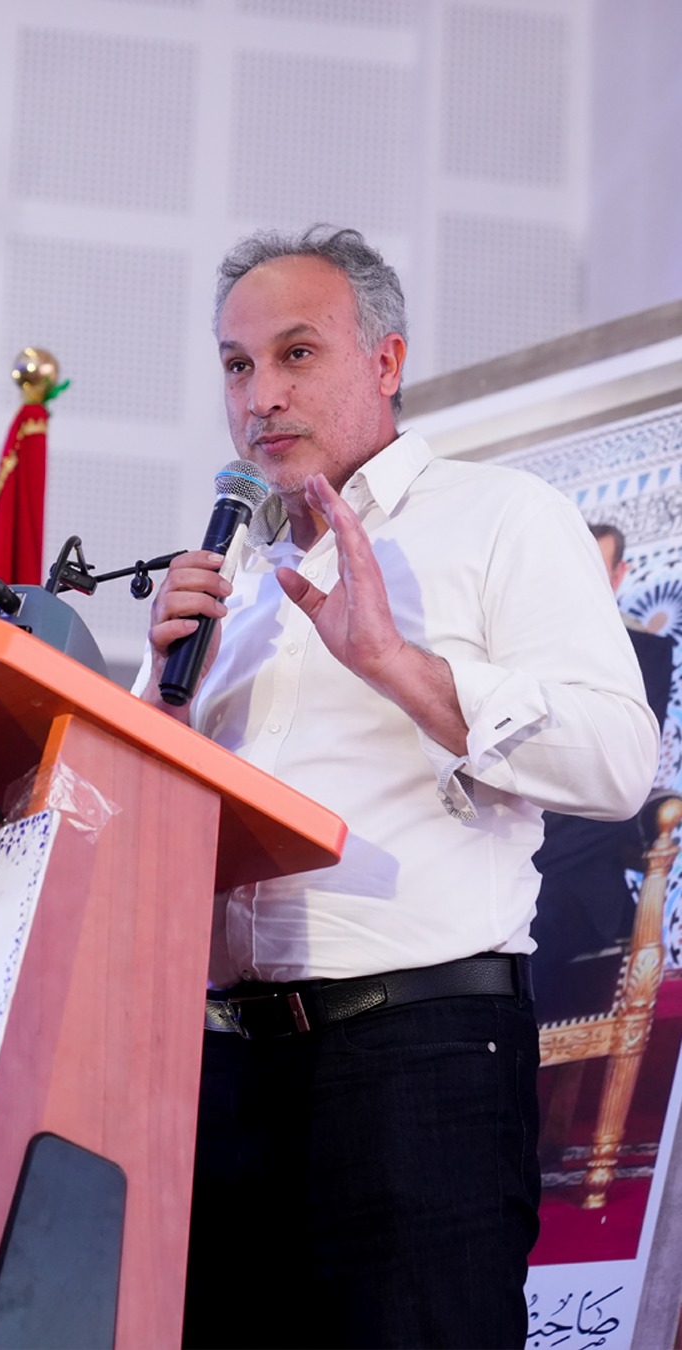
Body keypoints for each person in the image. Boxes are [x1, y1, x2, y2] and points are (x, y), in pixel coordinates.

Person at [133, 225, 660, 1349]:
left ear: (386, 361)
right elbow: (141, 834)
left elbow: (621, 761)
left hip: (419, 1060)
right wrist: (156, 706)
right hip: (219, 1074)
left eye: (296, 353)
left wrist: (395, 664)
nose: (262, 396)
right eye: (237, 365)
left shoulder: (502, 517)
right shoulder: (224, 586)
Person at [530, 522, 675, 1023]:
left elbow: (620, 771)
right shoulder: (521, 648)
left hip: (575, 876)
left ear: (618, 575)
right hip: (497, 863)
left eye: (592, 566)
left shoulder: (646, 654)